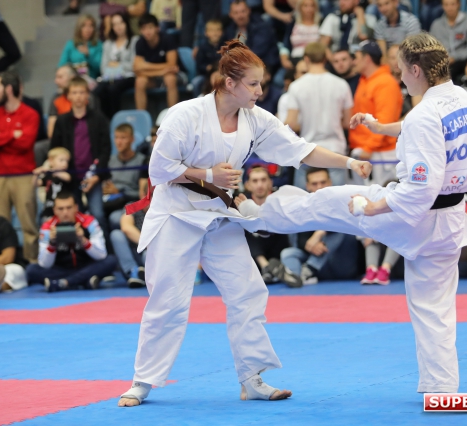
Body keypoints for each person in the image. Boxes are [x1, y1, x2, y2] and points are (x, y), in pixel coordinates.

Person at [116, 38, 371, 407]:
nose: (260, 91)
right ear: (229, 83)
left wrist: (349, 162)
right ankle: (142, 381)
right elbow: (159, 169)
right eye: (253, 84)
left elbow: (301, 150)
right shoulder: (185, 115)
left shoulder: (255, 119)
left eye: (260, 83)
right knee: (168, 300)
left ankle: (252, 378)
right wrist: (208, 175)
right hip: (176, 213)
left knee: (248, 291)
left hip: (219, 215)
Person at [236, 33, 467, 393]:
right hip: (451, 219)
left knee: (328, 202)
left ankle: (256, 215)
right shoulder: (461, 99)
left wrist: (373, 206)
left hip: (415, 216)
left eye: (402, 71)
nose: (400, 78)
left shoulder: (424, 116)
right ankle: (441, 388)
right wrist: (381, 128)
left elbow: (420, 188)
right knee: (435, 308)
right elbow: (424, 127)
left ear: (416, 70)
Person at [0, 71, 39, 262]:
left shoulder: (30, 114)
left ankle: (32, 262)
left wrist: (0, 135)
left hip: (23, 175)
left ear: (8, 89)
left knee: (28, 224)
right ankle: (3, 263)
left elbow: (25, 143)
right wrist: (12, 134)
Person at [285, 42, 353, 188]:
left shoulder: (296, 86)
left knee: (302, 199)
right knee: (337, 200)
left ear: (306, 59)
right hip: (335, 150)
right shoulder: (341, 84)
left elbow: (290, 123)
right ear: (325, 59)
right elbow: (348, 122)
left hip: (307, 150)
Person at [50, 76, 111, 238]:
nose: (78, 96)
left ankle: (104, 248)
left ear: (87, 95)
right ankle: (79, 247)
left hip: (93, 177)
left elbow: (105, 149)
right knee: (74, 216)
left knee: (98, 214)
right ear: (68, 96)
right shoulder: (62, 121)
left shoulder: (99, 118)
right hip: (70, 178)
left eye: (81, 92)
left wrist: (97, 176)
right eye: (74, 92)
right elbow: (55, 149)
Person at [279, 167, 358, 286]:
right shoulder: (303, 207)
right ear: (307, 186)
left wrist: (319, 233)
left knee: (342, 230)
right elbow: (300, 239)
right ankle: (297, 278)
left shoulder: (343, 202)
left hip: (341, 265)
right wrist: (311, 245)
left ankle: (310, 268)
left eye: (323, 182)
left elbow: (348, 225)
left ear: (330, 183)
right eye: (314, 184)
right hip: (318, 264)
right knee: (287, 253)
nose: (319, 187)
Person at [26, 190, 117, 292]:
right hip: (61, 269)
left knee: (111, 260)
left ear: (76, 208)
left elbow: (101, 255)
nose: (65, 213)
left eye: (69, 208)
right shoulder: (47, 227)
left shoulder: (89, 222)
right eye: (61, 209)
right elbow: (44, 264)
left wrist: (83, 240)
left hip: (86, 266)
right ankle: (84, 281)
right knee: (31, 270)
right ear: (54, 210)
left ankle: (64, 283)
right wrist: (52, 244)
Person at [349, 40, 402, 185]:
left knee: (381, 195)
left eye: (356, 57)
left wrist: (369, 148)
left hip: (380, 154)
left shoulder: (385, 83)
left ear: (367, 59)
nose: (353, 62)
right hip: (366, 151)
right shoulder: (365, 80)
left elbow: (384, 120)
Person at [242, 165, 292, 285]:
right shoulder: (242, 203)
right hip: (254, 257)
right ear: (248, 185)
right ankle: (266, 267)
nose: (259, 185)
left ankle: (270, 269)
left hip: (278, 250)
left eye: (263, 180)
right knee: (243, 227)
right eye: (255, 181)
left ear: (270, 183)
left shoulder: (280, 201)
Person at [94, 13, 139, 119]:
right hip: (109, 76)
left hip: (128, 76)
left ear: (126, 23)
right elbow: (103, 68)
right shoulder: (108, 44)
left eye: (121, 23)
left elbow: (134, 65)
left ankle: (115, 119)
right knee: (98, 91)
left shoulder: (135, 41)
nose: (118, 27)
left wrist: (119, 65)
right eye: (115, 24)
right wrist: (116, 67)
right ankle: (105, 121)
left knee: (113, 89)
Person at [133, 13, 179, 111]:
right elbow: (137, 69)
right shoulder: (140, 43)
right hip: (155, 76)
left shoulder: (167, 39)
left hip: (174, 74)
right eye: (144, 29)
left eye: (150, 28)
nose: (147, 32)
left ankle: (173, 114)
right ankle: (141, 115)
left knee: (170, 78)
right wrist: (162, 71)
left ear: (157, 28)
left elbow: (172, 65)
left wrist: (145, 66)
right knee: (139, 81)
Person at [224, 1, 280, 76]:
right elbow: (224, 50)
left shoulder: (261, 27)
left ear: (249, 11)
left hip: (264, 66)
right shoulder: (230, 30)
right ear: (230, 14)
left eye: (243, 11)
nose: (240, 16)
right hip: (239, 68)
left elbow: (256, 53)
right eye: (236, 13)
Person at [104, 123, 145, 226]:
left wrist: (120, 192)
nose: (119, 142)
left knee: (114, 218)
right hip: (110, 201)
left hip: (132, 203)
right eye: (116, 137)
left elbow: (143, 194)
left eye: (123, 138)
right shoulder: (110, 160)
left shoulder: (142, 161)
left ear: (132, 139)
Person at [429, 0, 467, 80]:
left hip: (463, 60)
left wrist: (454, 57)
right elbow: (431, 48)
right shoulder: (436, 25)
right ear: (442, 6)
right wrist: (443, 59)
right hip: (442, 61)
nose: (449, 8)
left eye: (453, 4)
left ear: (459, 4)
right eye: (446, 5)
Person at [34, 147, 75, 223]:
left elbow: (67, 178)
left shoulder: (65, 175)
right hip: (49, 209)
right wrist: (36, 174)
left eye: (67, 161)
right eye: (61, 160)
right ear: (51, 161)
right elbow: (36, 184)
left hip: (63, 211)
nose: (64, 164)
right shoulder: (49, 175)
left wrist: (50, 170)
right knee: (47, 226)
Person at [58, 14, 103, 81]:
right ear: (79, 28)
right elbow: (61, 65)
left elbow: (100, 68)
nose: (88, 29)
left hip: (93, 80)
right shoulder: (70, 44)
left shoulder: (98, 45)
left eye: (91, 26)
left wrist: (89, 54)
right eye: (84, 26)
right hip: (74, 81)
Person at [280, 0, 321, 70]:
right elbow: (285, 46)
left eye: (312, 6)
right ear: (300, 8)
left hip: (315, 60)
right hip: (295, 59)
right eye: (305, 6)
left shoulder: (321, 23)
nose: (309, 9)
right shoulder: (293, 24)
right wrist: (284, 60)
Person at [110, 209, 146, 288]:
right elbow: (126, 227)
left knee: (147, 254)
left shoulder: (163, 209)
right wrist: (146, 244)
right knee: (116, 235)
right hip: (135, 251)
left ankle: (149, 274)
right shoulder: (134, 205)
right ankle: (133, 272)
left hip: (154, 254)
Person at [386, 44, 421, 118]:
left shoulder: (413, 81)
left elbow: (418, 109)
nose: (396, 62)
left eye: (399, 58)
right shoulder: (384, 81)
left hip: (409, 121)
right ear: (387, 60)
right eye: (392, 58)